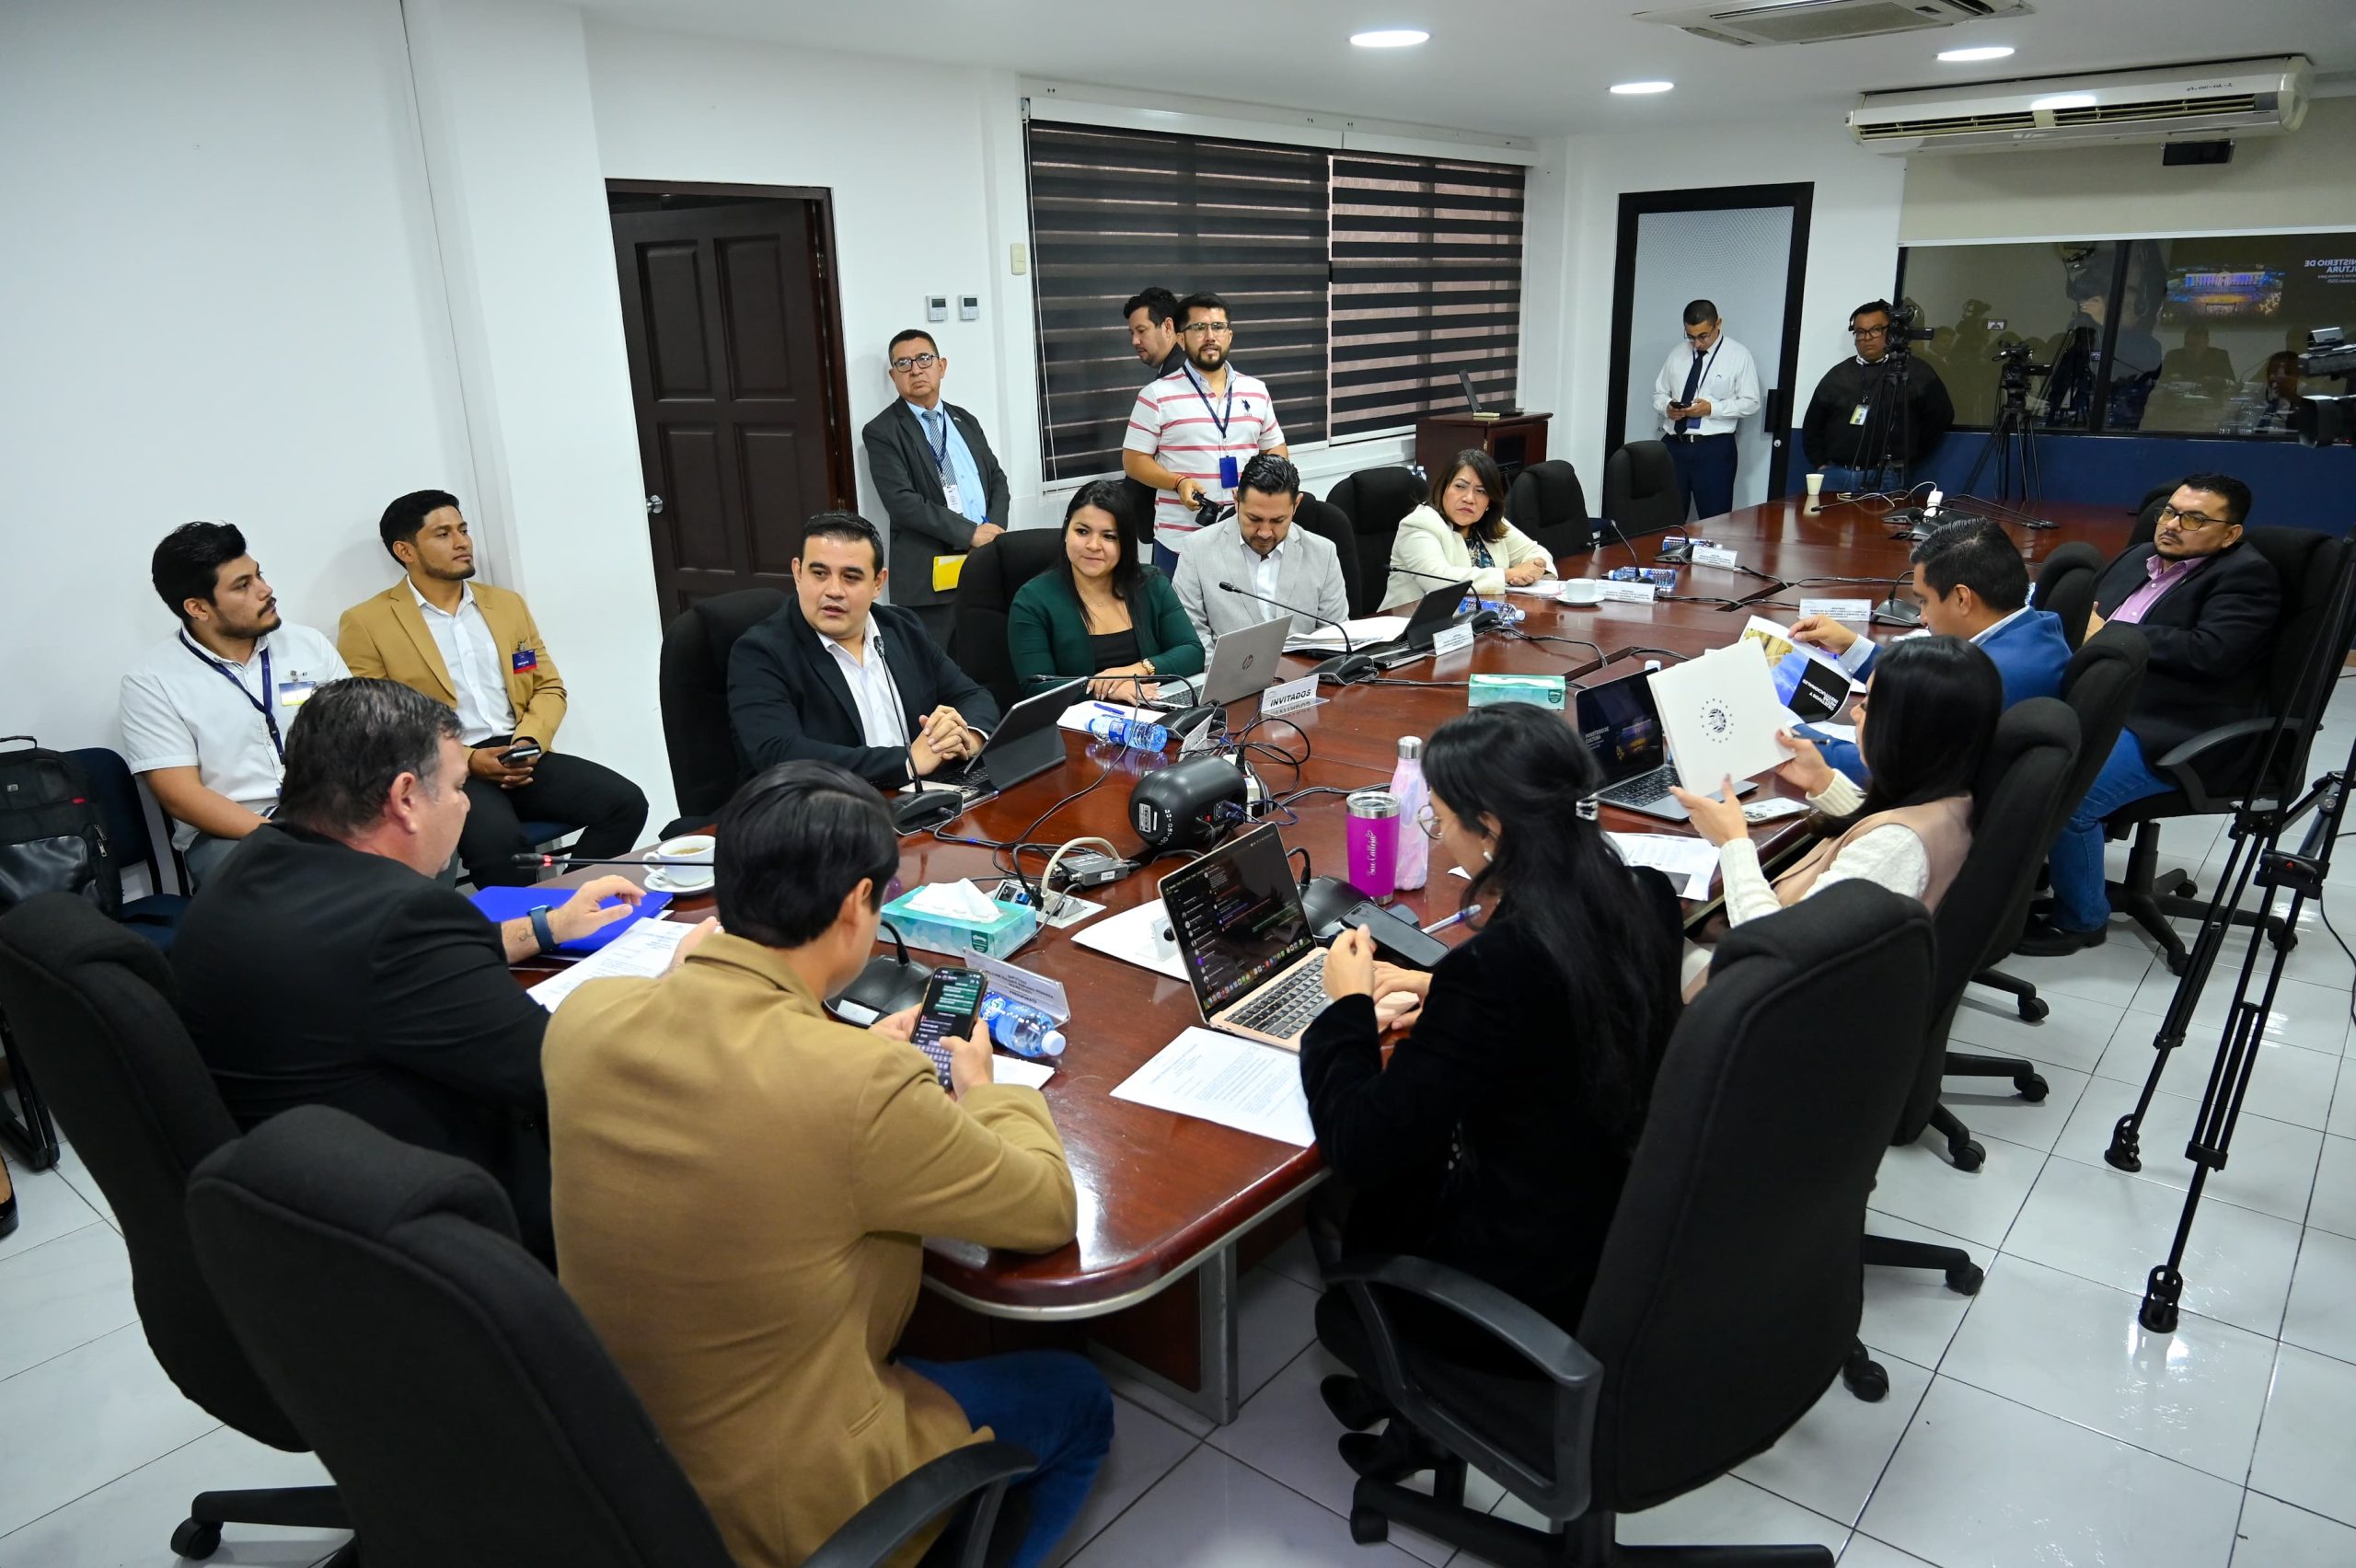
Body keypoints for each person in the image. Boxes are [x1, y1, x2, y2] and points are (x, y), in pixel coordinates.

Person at [545, 761, 1107, 1568]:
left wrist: (838, 1046)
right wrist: (989, 1092)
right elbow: (1046, 1208)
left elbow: (728, 1064)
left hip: (622, 1463)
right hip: (779, 1505)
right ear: (856, 905)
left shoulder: (584, 1019)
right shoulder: (861, 1086)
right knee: (1078, 1399)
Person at [170, 678, 657, 1264]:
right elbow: (560, 1068)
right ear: (405, 797)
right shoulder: (403, 919)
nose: (466, 804)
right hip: (438, 1229)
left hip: (295, 1212)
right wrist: (681, 987)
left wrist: (547, 926)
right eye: (457, 786)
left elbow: (373, 967)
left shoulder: (250, 868)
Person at [1305, 703, 1684, 1402]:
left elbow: (1358, 1144)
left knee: (1362, 1187)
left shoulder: (1495, 969)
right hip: (1614, 1224)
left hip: (1520, 1278)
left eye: (1442, 818)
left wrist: (1346, 1007)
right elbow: (1563, 995)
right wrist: (1438, 987)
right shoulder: (1645, 894)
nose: (1440, 834)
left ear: (1493, 828)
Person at [2017, 474, 2281, 955]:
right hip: (2103, 700)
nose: (2172, 525)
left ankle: (2081, 919)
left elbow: (2211, 652)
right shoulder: (2137, 557)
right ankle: (2027, 868)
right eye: (2170, 512)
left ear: (2230, 534)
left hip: (2176, 726)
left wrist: (2111, 634)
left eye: (2194, 519)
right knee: (2012, 750)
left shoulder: (2247, 578)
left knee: (2069, 794)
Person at [339, 490, 648, 889]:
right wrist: (468, 759)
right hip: (441, 766)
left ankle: (569, 901)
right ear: (405, 551)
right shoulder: (367, 622)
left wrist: (529, 742)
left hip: (519, 751)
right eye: (443, 534)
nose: (462, 542)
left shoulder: (505, 605)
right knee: (500, 846)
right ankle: (526, 924)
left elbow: (548, 686)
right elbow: (377, 723)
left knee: (625, 803)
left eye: (463, 529)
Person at [1672, 637, 2002, 991]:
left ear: (1906, 731)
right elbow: (1880, 839)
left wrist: (1733, 844)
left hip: (1773, 999)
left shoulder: (1897, 847)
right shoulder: (1953, 800)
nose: (1856, 713)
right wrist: (1822, 781)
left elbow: (1779, 949)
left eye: (1869, 705)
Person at [121, 523, 351, 890]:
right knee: (289, 890)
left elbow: (356, 737)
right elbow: (182, 796)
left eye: (259, 575)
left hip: (329, 808)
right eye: (243, 585)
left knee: (421, 846)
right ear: (198, 608)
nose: (265, 590)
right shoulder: (152, 682)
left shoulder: (308, 645)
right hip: (232, 832)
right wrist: (286, 835)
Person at [729, 512, 1000, 792]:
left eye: (851, 577)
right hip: (823, 806)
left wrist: (965, 737)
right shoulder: (760, 652)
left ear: (878, 583)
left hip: (919, 798)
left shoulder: (903, 628)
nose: (834, 590)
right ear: (798, 573)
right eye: (819, 574)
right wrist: (907, 761)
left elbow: (973, 696)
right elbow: (780, 754)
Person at [1787, 518, 2072, 785]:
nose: (1922, 618)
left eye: (1924, 601)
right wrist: (1851, 647)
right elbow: (1925, 685)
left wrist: (1786, 732)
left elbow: (1896, 770)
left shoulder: (1992, 677)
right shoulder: (2035, 631)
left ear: (1962, 598)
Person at [1121, 291, 1288, 574]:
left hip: (1245, 536)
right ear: (1181, 338)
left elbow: (1275, 447)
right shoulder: (1156, 395)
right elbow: (1134, 460)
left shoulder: (1256, 390)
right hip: (1180, 541)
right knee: (1175, 605)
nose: (1210, 336)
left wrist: (1267, 486)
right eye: (1198, 327)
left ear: (1229, 335)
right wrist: (1178, 482)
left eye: (1218, 327)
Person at [860, 329, 1011, 645]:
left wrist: (993, 533)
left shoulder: (965, 420)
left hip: (984, 564)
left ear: (941, 366)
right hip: (930, 581)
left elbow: (997, 479)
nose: (915, 369)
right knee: (936, 665)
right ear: (893, 376)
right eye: (904, 363)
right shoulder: (882, 431)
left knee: (989, 656)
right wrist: (970, 533)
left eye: (924, 359)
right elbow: (902, 502)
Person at [1009, 480, 1205, 700]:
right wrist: (1108, 689)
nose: (1093, 545)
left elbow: (1192, 652)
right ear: (1066, 531)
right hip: (1077, 720)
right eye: (1082, 531)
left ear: (1125, 542)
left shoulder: (1151, 583)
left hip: (1153, 711)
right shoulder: (1032, 600)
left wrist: (1138, 670)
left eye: (1109, 536)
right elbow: (1036, 687)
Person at [1172, 452, 1350, 645]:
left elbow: (1336, 637)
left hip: (1305, 663)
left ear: (1296, 505)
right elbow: (1192, 639)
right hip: (1228, 664)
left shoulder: (1323, 553)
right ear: (1236, 501)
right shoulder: (1197, 551)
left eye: (1278, 520)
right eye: (1254, 519)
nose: (1265, 533)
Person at [1801, 299, 1956, 496]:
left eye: (1875, 330)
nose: (1867, 338)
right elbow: (1813, 425)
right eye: (1860, 332)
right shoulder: (1837, 375)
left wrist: (1909, 454)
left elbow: (1940, 416)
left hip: (1887, 476)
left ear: (1890, 332)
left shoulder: (1914, 371)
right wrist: (1821, 464)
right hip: (1835, 475)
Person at [1382, 449, 1555, 610]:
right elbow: (1439, 581)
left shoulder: (1488, 523)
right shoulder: (1419, 524)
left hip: (1477, 624)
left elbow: (1536, 552)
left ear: (1490, 501)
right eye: (1460, 486)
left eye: (1481, 491)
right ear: (1444, 488)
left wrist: (1534, 569)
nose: (1469, 498)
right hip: (1410, 627)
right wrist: (1508, 575)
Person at [1651, 298, 1761, 521]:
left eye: (1703, 336)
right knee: (1667, 518)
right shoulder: (1677, 354)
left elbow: (1751, 402)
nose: (1697, 344)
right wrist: (1667, 408)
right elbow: (1659, 394)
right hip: (1674, 446)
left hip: (1714, 450)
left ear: (1718, 324)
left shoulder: (1738, 356)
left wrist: (1711, 409)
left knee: (1715, 520)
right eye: (1690, 336)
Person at [1124, 285, 1186, 377]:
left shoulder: (1174, 378)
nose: (1134, 341)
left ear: (1168, 327)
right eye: (1132, 333)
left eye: (1141, 331)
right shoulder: (1186, 367)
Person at [2161, 324, 2236, 388]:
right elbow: (2160, 380)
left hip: (2211, 397)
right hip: (2179, 397)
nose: (2189, 348)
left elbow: (2232, 382)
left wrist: (2217, 380)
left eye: (2195, 345)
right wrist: (2169, 379)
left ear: (2206, 342)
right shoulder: (2173, 356)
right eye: (2187, 344)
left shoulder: (2219, 356)